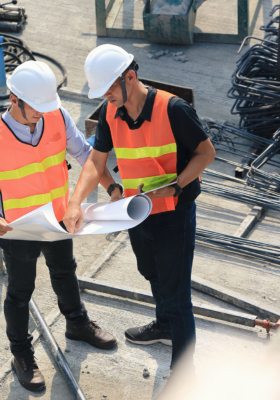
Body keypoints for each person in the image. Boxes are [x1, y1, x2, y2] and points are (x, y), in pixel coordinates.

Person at [0, 60, 118, 392]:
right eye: (36, 105)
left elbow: (86, 156)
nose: (41, 113)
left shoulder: (57, 117)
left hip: (59, 218)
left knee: (65, 271)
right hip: (18, 229)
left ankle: (77, 324)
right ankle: (21, 354)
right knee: (20, 292)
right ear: (14, 98)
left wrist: (113, 187)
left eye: (47, 106)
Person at [63, 44, 215, 373]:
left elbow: (206, 153)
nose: (106, 99)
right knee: (152, 274)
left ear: (129, 77)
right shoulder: (110, 113)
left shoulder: (173, 109)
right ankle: (164, 327)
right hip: (137, 212)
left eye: (108, 91)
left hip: (174, 216)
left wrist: (178, 184)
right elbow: (95, 163)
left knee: (177, 297)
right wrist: (77, 201)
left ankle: (183, 377)